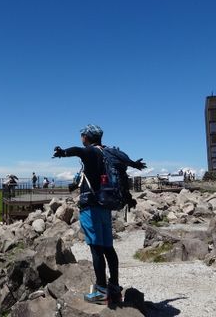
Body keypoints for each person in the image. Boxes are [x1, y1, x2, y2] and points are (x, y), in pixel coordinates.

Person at [53, 124, 146, 305]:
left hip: (91, 207)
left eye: (82, 134)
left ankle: (101, 292)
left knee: (96, 249)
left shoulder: (91, 151)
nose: (81, 137)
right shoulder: (108, 153)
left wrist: (62, 152)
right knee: (108, 248)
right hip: (105, 207)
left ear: (87, 137)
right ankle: (114, 288)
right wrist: (128, 196)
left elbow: (78, 151)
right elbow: (124, 171)